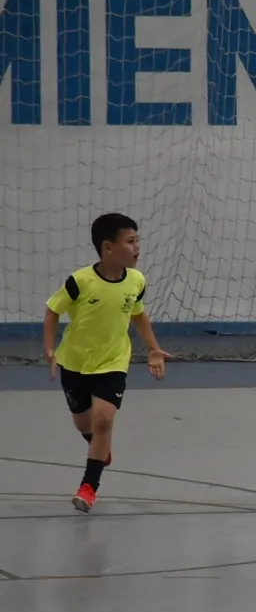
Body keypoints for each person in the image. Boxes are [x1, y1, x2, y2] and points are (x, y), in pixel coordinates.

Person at [44, 213, 171, 513]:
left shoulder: (137, 281)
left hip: (113, 361)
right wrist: (50, 349)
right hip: (75, 362)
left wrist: (153, 348)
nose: (137, 247)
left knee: (103, 421)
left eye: (138, 240)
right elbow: (52, 310)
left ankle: (88, 487)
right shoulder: (80, 281)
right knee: (84, 423)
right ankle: (98, 448)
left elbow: (138, 314)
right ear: (108, 247)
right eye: (130, 241)